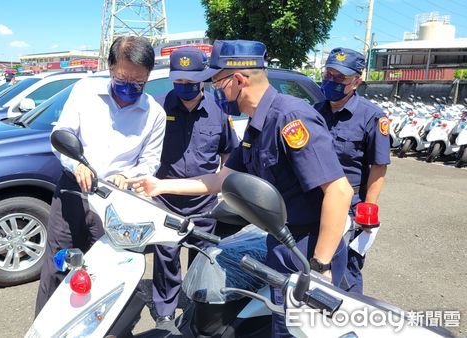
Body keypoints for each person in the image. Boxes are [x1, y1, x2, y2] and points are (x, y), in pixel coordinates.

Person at [128, 40, 353, 337]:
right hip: (281, 244)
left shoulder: (289, 118)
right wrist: (159, 185)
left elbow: (339, 191)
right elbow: (221, 179)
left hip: (307, 252)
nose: (214, 90)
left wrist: (320, 269)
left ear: (238, 79)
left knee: (301, 331)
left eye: (217, 83)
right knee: (280, 325)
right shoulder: (256, 124)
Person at [35, 36, 166, 316]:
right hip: (74, 192)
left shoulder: (154, 113)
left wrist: (128, 176)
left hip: (117, 203)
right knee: (59, 267)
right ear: (109, 68)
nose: (129, 88)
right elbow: (63, 135)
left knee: (108, 275)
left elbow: (150, 161)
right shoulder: (85, 92)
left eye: (138, 83)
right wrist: (76, 164)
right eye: (123, 78)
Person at [152, 48, 239, 325]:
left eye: (190, 83)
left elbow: (229, 151)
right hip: (165, 200)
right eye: (178, 82)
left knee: (202, 259)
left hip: (203, 204)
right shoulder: (158, 107)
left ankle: (195, 309)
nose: (184, 88)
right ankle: (165, 313)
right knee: (166, 259)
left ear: (202, 79)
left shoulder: (218, 111)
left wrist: (223, 185)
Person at [314, 48, 390, 294]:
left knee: (346, 271)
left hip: (351, 206)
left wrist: (369, 208)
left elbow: (378, 165)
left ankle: (348, 322)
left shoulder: (372, 117)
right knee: (314, 263)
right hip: (314, 200)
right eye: (328, 74)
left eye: (340, 78)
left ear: (356, 81)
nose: (331, 81)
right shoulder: (314, 111)